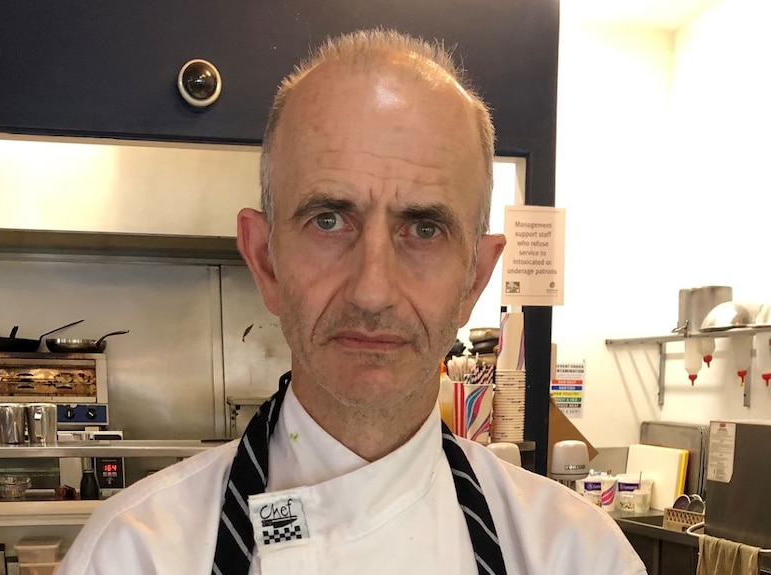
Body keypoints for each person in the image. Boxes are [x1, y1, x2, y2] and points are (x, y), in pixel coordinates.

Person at [58, 29, 646, 575]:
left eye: (423, 229)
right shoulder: (131, 554)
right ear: (266, 260)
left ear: (474, 279)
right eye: (329, 220)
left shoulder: (577, 556)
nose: (372, 290)